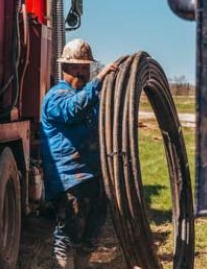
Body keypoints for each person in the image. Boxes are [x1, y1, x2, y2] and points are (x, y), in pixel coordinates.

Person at [40, 39, 119, 268]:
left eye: (86, 67)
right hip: (70, 180)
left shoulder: (89, 99)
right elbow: (72, 110)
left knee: (89, 238)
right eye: (78, 67)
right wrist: (100, 79)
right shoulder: (56, 96)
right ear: (65, 67)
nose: (83, 72)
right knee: (68, 236)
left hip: (93, 177)